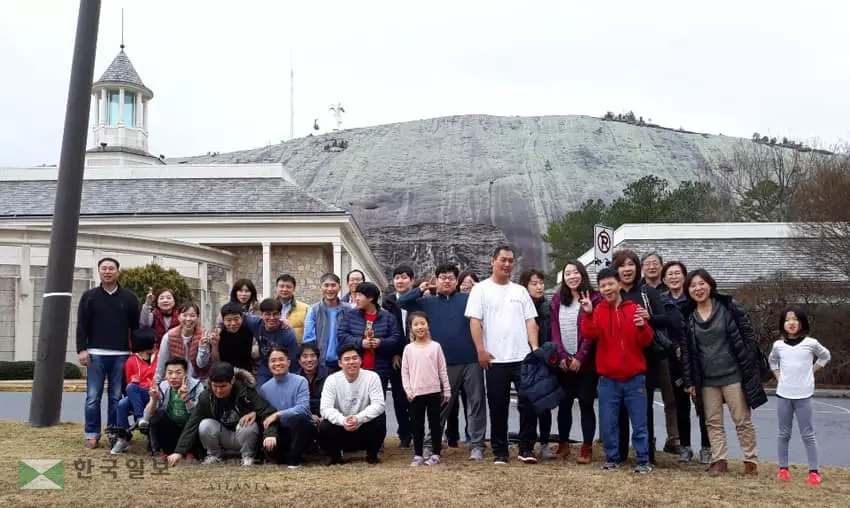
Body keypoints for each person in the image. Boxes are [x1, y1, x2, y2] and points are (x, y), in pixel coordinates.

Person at [681, 269, 767, 476]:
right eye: (693, 286)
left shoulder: (729, 306)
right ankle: (719, 460)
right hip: (707, 379)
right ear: (688, 291)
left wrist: (749, 366)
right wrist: (689, 380)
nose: (698, 289)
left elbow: (748, 336)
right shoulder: (687, 316)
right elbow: (687, 352)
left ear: (710, 285)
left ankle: (750, 461)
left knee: (742, 419)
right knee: (712, 421)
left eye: (701, 284)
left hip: (733, 375)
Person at [398, 263, 487, 461]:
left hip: (471, 360)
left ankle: (477, 445)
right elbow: (402, 303)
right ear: (436, 280)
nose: (447, 281)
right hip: (443, 363)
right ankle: (430, 444)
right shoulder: (426, 302)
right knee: (440, 407)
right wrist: (419, 290)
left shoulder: (468, 299)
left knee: (476, 403)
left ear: (457, 281)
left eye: (451, 278)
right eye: (442, 277)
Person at [465, 245, 539, 465]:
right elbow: (475, 321)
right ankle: (500, 451)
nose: (507, 264)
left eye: (510, 261)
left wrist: (534, 349)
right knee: (498, 405)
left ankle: (526, 448)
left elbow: (530, 321)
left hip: (523, 358)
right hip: (495, 359)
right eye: (503, 260)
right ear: (493, 261)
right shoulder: (480, 289)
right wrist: (480, 350)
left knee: (528, 403)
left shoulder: (520, 291)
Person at [581, 267, 655, 473]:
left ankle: (643, 460)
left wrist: (643, 326)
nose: (607, 289)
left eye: (610, 284)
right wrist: (587, 314)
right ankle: (612, 458)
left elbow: (647, 341)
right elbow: (589, 333)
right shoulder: (598, 311)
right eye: (603, 286)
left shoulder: (634, 309)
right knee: (609, 422)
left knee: (639, 423)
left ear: (620, 285)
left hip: (635, 377)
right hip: (608, 379)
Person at [611, 249, 673, 464]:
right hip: (618, 361)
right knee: (619, 409)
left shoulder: (647, 292)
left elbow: (666, 319)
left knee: (643, 409)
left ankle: (646, 454)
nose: (627, 269)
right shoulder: (612, 294)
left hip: (645, 360)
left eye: (631, 264)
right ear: (615, 269)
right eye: (622, 265)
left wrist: (650, 317)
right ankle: (618, 453)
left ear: (637, 268)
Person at [76, 257, 140, 449]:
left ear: (117, 272)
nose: (107, 272)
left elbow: (135, 327)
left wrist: (135, 354)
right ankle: (92, 434)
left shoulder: (129, 297)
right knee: (93, 396)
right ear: (99, 272)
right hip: (95, 353)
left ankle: (114, 432)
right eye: (104, 268)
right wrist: (82, 349)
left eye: (111, 268)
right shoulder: (89, 296)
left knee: (116, 397)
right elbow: (82, 325)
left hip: (121, 354)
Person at [168, 361, 279, 467]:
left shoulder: (246, 393)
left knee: (248, 424)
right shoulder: (206, 397)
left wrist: (270, 434)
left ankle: (248, 456)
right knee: (204, 424)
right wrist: (179, 452)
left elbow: (268, 412)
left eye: (223, 386)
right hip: (223, 435)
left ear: (232, 380)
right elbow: (193, 423)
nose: (218, 391)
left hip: (244, 434)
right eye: (214, 386)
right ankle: (214, 455)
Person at [769, 307, 831, 486]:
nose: (791, 322)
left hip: (804, 395)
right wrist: (778, 375)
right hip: (783, 395)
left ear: (802, 322)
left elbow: (825, 356)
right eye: (787, 319)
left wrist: (811, 371)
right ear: (783, 324)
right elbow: (772, 361)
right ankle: (783, 469)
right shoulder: (778, 345)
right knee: (784, 433)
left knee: (808, 434)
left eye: (795, 319)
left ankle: (813, 471)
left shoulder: (811, 343)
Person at [549, 260, 600, 464]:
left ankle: (586, 447)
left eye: (575, 272)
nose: (572, 277)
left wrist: (580, 356)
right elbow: (554, 331)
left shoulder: (594, 298)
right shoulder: (556, 300)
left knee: (587, 403)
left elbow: (592, 332)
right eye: (568, 273)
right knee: (564, 404)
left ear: (582, 274)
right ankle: (563, 443)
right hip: (564, 363)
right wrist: (561, 356)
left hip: (586, 364)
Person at [661, 260, 711, 465]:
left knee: (702, 405)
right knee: (681, 406)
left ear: (684, 276)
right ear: (664, 279)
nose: (673, 277)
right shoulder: (661, 301)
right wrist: (674, 348)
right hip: (674, 361)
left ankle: (707, 448)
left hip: (697, 360)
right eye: (669, 274)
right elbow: (659, 330)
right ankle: (685, 447)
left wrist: (689, 348)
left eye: (677, 273)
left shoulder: (693, 300)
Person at [319, 344, 387, 465]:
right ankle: (335, 458)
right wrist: (343, 420)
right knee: (325, 425)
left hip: (363, 427)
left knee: (380, 417)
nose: (351, 362)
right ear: (340, 363)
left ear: (360, 361)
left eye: (355, 358)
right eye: (347, 359)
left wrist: (358, 418)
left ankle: (372, 456)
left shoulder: (372, 377)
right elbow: (325, 408)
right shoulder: (331, 380)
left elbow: (379, 404)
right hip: (341, 428)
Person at [641, 252, 679, 455]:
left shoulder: (668, 289)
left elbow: (672, 319)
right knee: (645, 399)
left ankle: (674, 439)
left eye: (655, 263)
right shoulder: (639, 289)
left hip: (666, 349)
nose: (652, 267)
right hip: (646, 350)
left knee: (669, 397)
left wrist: (651, 318)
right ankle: (649, 440)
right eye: (647, 264)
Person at [402, 311, 452, 466]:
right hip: (416, 393)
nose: (419, 327)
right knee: (417, 425)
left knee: (435, 424)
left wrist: (447, 389)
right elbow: (405, 371)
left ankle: (436, 453)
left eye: (422, 323)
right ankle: (418, 454)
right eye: (415, 324)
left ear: (428, 325)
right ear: (410, 328)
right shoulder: (408, 349)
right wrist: (408, 390)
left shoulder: (435, 347)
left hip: (434, 392)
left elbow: (442, 369)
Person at [339, 282, 400, 393]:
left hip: (380, 370)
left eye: (359, 295)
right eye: (355, 295)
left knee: (378, 405)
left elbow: (395, 338)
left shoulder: (388, 317)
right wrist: (360, 343)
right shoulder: (350, 316)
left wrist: (381, 343)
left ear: (370, 298)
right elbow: (342, 336)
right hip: (356, 369)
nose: (356, 298)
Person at [259, 348, 315, 468]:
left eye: (281, 360)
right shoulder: (264, 388)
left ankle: (295, 459)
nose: (277, 363)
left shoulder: (300, 381)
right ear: (268, 364)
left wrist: (278, 414)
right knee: (271, 448)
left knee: (298, 419)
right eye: (273, 361)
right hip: (280, 431)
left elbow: (303, 408)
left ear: (288, 362)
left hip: (301, 429)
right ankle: (285, 456)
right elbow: (265, 415)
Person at [520, 268, 554, 460]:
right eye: (534, 283)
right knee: (527, 405)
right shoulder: (520, 307)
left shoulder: (548, 307)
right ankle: (527, 444)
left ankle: (545, 443)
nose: (539, 287)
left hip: (544, 359)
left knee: (545, 403)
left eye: (541, 283)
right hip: (525, 361)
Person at [382, 264, 415, 449]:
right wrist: (395, 353)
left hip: (416, 355)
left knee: (416, 396)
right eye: (397, 278)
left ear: (411, 280)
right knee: (399, 397)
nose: (400, 281)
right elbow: (390, 331)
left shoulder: (418, 300)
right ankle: (404, 434)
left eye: (404, 277)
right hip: (396, 357)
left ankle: (416, 430)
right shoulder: (388, 301)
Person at [144, 357, 205, 457]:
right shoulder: (163, 387)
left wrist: (186, 400)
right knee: (159, 415)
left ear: (186, 374)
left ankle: (193, 451)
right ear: (165, 375)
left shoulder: (197, 386)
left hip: (190, 430)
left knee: (198, 423)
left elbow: (199, 415)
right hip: (173, 428)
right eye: (170, 373)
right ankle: (165, 450)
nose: (173, 377)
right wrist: (154, 399)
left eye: (178, 372)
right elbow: (147, 417)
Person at [110, 328, 158, 454]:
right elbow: (129, 382)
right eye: (152, 342)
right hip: (137, 394)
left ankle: (140, 419)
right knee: (122, 403)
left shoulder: (159, 356)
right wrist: (135, 381)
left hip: (154, 394)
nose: (155, 345)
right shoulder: (131, 361)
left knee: (131, 389)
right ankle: (123, 437)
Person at [449, 270, 478, 444]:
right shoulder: (453, 303)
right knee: (450, 402)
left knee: (471, 401)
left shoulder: (480, 303)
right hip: (452, 359)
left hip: (472, 358)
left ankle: (471, 434)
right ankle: (451, 436)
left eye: (471, 284)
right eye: (464, 284)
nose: (467, 287)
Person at [155, 302, 216, 383]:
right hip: (176, 381)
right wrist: (157, 384)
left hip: (198, 381)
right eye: (185, 315)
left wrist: (203, 347)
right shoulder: (169, 336)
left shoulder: (203, 335)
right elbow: (162, 365)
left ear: (198, 318)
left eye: (192, 316)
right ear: (179, 317)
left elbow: (201, 364)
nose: (188, 319)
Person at [303, 273, 347, 375]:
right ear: (321, 287)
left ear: (339, 287)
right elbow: (308, 338)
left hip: (343, 361)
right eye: (326, 285)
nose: (330, 289)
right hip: (321, 363)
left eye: (333, 285)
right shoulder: (314, 310)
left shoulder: (348, 310)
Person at [250, 298, 300, 386]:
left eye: (275, 314)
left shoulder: (288, 334)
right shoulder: (256, 324)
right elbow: (237, 316)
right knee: (261, 392)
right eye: (267, 314)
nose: (271, 318)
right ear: (261, 315)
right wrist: (220, 326)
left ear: (281, 315)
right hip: (265, 367)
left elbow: (294, 360)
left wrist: (294, 382)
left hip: (283, 368)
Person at [202, 302, 255, 373]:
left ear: (242, 318)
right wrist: (215, 345)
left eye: (236, 319)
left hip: (245, 374)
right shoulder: (218, 335)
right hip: (224, 373)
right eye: (229, 320)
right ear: (223, 321)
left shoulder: (249, 332)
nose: (233, 323)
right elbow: (215, 363)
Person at [139, 288, 180, 353]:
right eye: (161, 298)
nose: (165, 300)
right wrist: (147, 303)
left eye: (169, 298)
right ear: (157, 303)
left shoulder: (181, 316)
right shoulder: (153, 315)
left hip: (176, 353)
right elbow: (144, 325)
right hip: (156, 353)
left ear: (174, 301)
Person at [275, 274, 310, 343]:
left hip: (296, 350)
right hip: (274, 351)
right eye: (281, 286)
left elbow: (309, 332)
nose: (284, 289)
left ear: (294, 289)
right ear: (276, 288)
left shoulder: (305, 309)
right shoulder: (269, 308)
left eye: (288, 287)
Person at [297, 342, 327, 423]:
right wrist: (309, 415)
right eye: (305, 356)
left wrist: (325, 416)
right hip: (303, 416)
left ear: (318, 358)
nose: (309, 360)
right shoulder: (295, 378)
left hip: (326, 416)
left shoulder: (329, 375)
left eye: (313, 356)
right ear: (299, 361)